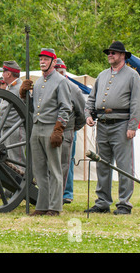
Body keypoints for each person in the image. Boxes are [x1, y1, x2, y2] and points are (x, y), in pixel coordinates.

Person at [84, 41, 140, 215]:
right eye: (109, 52)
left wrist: (132, 125)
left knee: (124, 166)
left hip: (122, 124)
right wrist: (88, 114)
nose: (110, 55)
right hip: (102, 124)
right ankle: (102, 202)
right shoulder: (102, 75)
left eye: (114, 53)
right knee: (102, 165)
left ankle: (124, 203)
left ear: (123, 55)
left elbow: (137, 103)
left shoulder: (132, 76)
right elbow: (91, 99)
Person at [20, 48, 72, 216]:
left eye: (46, 58)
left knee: (54, 169)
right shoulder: (38, 82)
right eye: (41, 58)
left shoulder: (60, 81)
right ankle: (42, 205)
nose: (42, 61)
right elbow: (33, 108)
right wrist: (24, 94)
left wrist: (59, 129)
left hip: (51, 127)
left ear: (53, 62)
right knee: (39, 169)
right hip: (37, 127)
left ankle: (55, 207)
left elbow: (66, 108)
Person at [54, 58, 86, 204]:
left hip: (67, 130)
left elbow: (82, 114)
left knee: (67, 162)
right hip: (51, 130)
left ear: (62, 71)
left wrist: (72, 128)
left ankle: (66, 193)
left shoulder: (73, 88)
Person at [0, 61, 26, 167]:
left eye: (3, 72)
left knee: (17, 160)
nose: (2, 75)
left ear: (9, 74)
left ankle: (22, 182)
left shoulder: (20, 88)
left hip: (15, 130)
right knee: (9, 160)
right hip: (6, 129)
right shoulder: (10, 87)